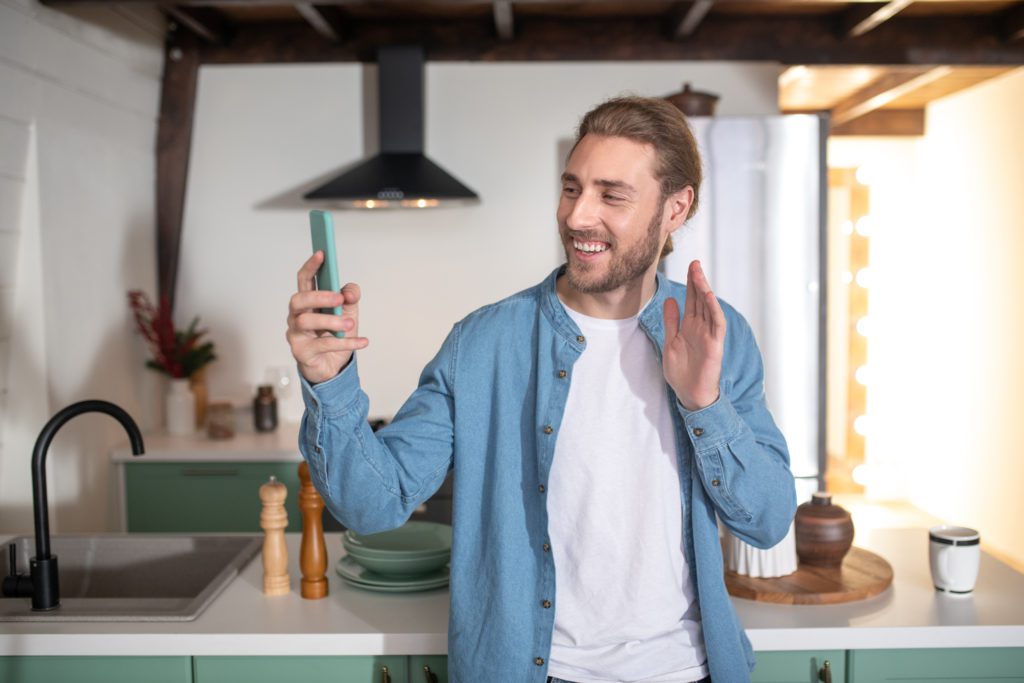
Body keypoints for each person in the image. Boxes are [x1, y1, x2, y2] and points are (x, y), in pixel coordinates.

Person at [286, 96, 796, 683]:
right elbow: (371, 506)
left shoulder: (714, 334)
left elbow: (769, 518)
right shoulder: (483, 344)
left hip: (688, 671)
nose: (578, 216)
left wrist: (703, 404)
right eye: (572, 188)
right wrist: (329, 383)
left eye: (612, 195)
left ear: (676, 208)